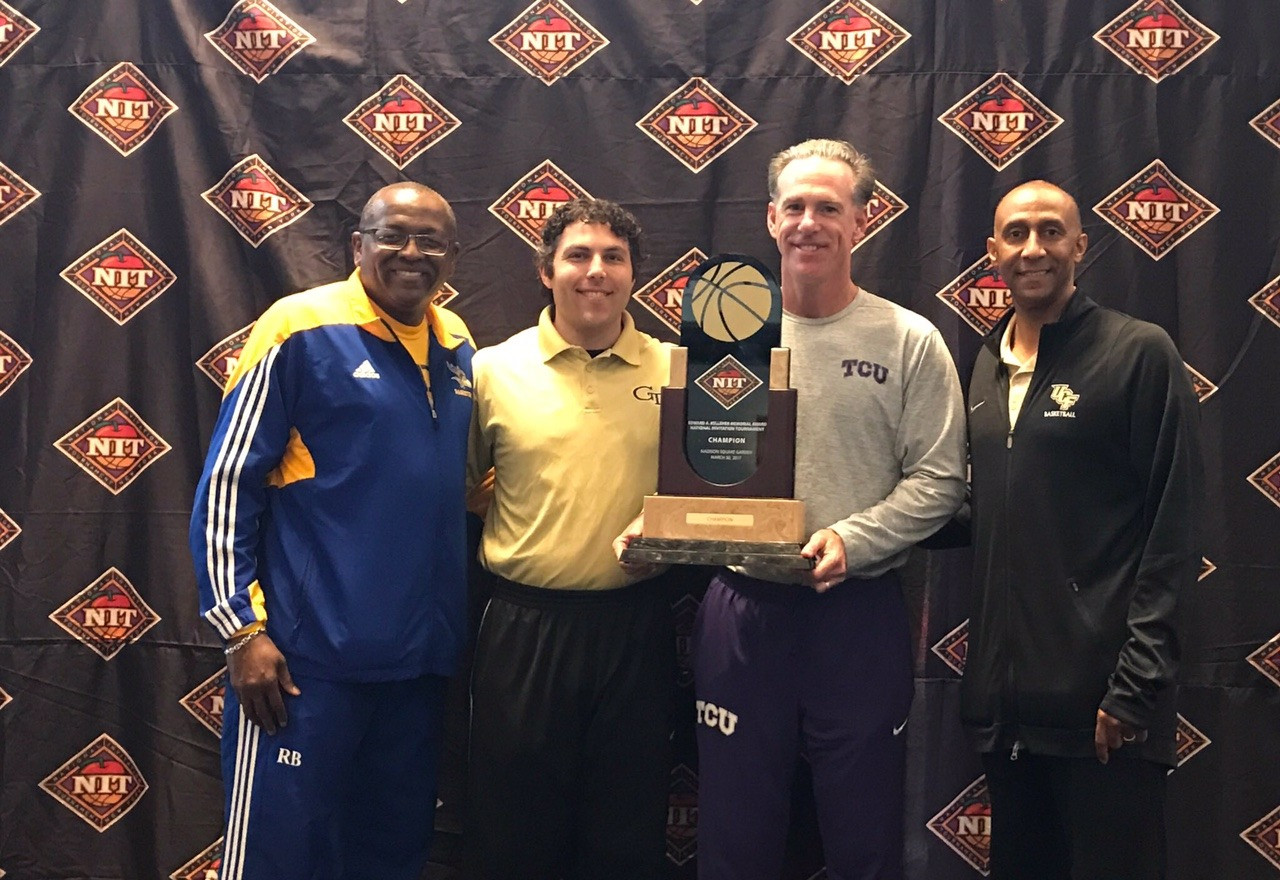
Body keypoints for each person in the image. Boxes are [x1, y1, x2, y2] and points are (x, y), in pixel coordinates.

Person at [684, 138, 967, 879]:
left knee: (863, 833)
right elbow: (689, 468)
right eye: (797, 207)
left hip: (857, 613)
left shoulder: (910, 340)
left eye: (830, 208)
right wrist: (662, 522)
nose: (811, 223)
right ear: (772, 219)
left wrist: (853, 539)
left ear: (863, 221)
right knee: (734, 835)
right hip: (743, 609)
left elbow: (939, 481)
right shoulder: (723, 337)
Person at [189, 182, 474, 880]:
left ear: (451, 256)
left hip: (416, 668)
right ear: (358, 245)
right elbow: (228, 485)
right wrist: (242, 633)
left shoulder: (459, 344)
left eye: (430, 240)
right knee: (277, 858)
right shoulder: (299, 328)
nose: (412, 253)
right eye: (393, 235)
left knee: (391, 855)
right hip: (304, 668)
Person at [960, 180, 1202, 880]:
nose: (1033, 248)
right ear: (991, 253)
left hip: (1105, 715)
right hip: (1010, 715)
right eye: (1015, 233)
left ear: (1080, 247)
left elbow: (1174, 528)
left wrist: (1135, 689)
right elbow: (993, 512)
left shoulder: (1137, 352)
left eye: (1051, 231)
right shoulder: (983, 363)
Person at [465, 198, 673, 880]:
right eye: (578, 255)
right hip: (524, 627)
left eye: (614, 257)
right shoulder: (493, 370)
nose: (596, 271)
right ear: (544, 270)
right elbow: (456, 493)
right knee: (514, 832)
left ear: (635, 275)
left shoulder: (679, 370)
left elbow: (719, 494)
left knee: (626, 831)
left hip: (635, 629)